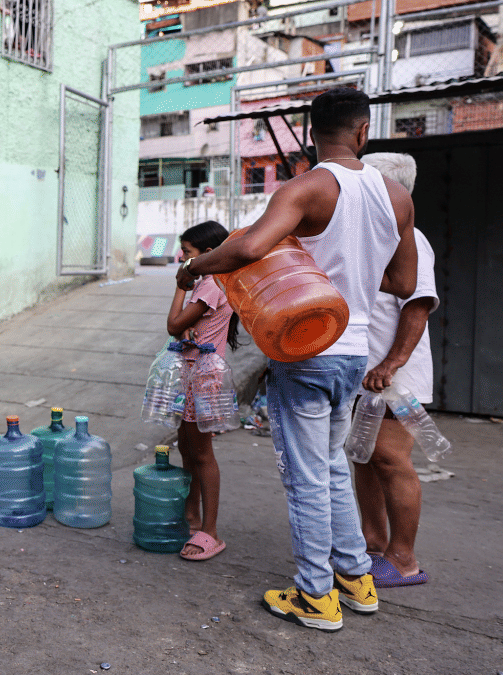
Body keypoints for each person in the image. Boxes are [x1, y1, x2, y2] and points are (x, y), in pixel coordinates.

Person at [176, 87, 418, 632]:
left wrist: (196, 269)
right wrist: (354, 268)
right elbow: (403, 281)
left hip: (306, 347)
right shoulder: (396, 196)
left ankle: (314, 594)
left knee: (307, 476)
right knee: (332, 466)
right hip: (355, 349)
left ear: (313, 132)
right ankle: (355, 580)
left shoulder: (308, 187)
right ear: (364, 131)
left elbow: (246, 248)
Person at [353, 152, 439, 589]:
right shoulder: (373, 237)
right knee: (364, 458)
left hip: (392, 375)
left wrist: (391, 363)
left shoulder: (412, 239)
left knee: (389, 458)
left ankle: (403, 559)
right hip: (364, 373)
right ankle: (373, 546)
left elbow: (419, 305)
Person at [165, 221, 240, 561]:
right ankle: (191, 515)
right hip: (191, 374)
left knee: (202, 453)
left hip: (204, 380)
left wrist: (181, 285)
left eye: (188, 254)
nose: (184, 260)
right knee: (186, 446)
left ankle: (210, 531)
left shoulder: (211, 284)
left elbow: (173, 325)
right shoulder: (209, 283)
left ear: (208, 255)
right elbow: (184, 333)